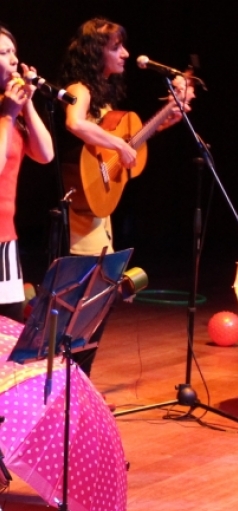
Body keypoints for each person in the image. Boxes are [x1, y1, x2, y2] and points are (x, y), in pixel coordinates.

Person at [58, 17, 190, 375]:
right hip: (80, 216)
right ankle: (68, 388)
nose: (126, 54)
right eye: (117, 47)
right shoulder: (79, 89)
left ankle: (81, 387)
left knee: (97, 306)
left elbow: (125, 150)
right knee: (81, 308)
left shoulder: (108, 100)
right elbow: (75, 123)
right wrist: (118, 142)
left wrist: (166, 118)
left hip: (101, 213)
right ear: (94, 51)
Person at [0, 25, 54, 322]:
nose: (12, 59)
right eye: (3, 52)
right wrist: (8, 115)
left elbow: (45, 155)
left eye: (13, 51)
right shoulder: (5, 112)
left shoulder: (12, 108)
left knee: (9, 324)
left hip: (4, 235)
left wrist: (26, 104)